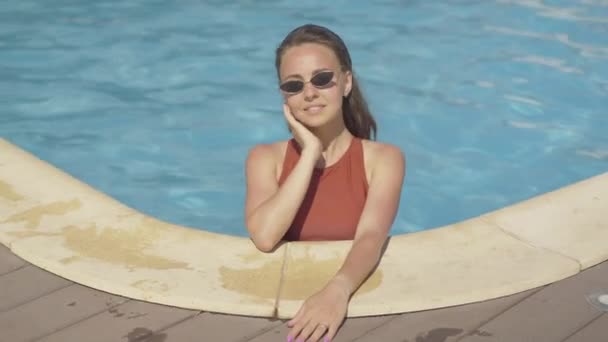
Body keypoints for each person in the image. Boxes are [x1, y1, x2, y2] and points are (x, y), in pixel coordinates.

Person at [244, 24, 405, 342]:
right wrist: (310, 154)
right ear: (284, 96)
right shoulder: (265, 158)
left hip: (348, 305)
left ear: (346, 82)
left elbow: (371, 236)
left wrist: (337, 291)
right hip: (281, 317)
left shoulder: (383, 159)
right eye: (294, 85)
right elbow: (264, 236)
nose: (309, 93)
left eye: (322, 79)